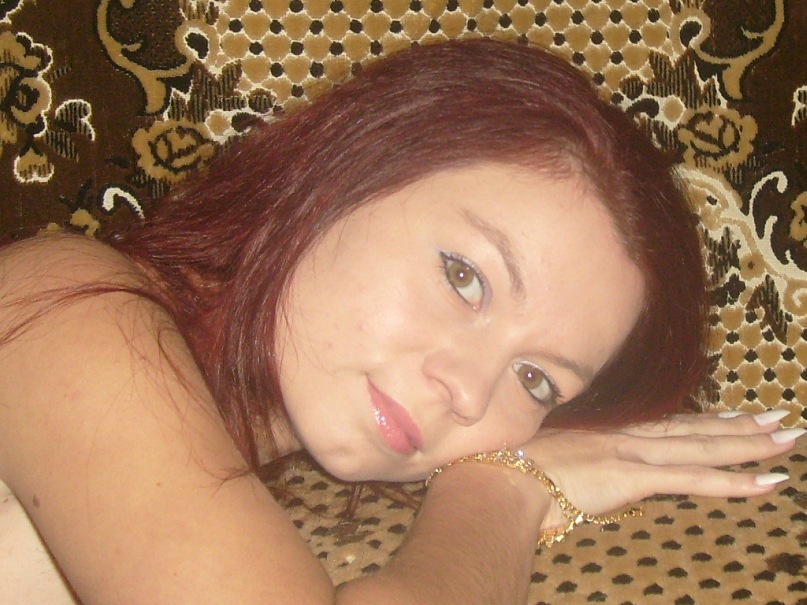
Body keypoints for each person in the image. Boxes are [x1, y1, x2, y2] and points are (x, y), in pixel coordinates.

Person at [0, 39, 800, 605]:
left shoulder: (228, 442)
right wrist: (501, 489)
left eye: (534, 378)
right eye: (464, 277)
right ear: (344, 172)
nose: (466, 391)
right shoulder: (66, 303)